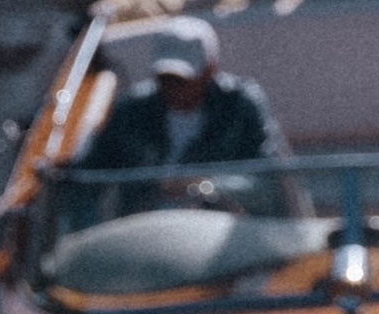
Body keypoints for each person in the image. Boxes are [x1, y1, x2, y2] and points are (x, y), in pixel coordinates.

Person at [82, 22, 290, 208]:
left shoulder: (240, 106)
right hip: (142, 233)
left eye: (182, 79)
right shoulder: (131, 112)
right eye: (166, 79)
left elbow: (269, 180)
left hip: (216, 228)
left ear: (210, 70)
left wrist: (204, 186)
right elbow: (88, 178)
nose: (173, 89)